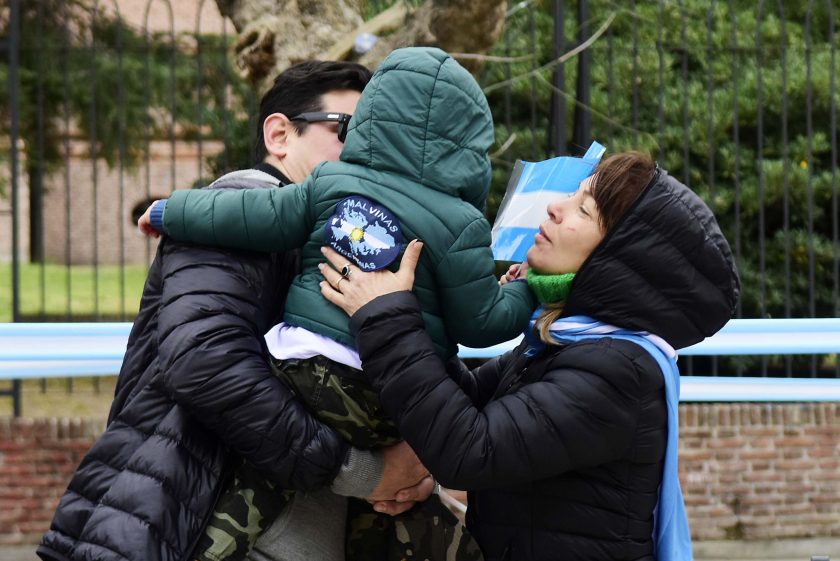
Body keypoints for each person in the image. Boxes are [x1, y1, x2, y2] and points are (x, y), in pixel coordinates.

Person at [138, 47, 534, 560]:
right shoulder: (460, 225)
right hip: (385, 394)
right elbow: (483, 323)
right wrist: (527, 288)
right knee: (407, 518)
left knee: (252, 493)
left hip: (299, 366)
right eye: (339, 125)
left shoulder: (328, 186)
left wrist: (171, 210)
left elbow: (246, 215)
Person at [37, 60, 434, 561]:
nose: (369, 149)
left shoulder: (344, 236)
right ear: (280, 135)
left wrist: (413, 463)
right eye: (349, 129)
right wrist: (362, 471)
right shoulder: (237, 210)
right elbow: (204, 362)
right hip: (204, 528)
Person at [320, 151, 741, 561]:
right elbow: (466, 399)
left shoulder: (618, 372)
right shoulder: (565, 341)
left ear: (621, 260)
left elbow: (469, 450)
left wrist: (388, 320)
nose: (555, 207)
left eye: (583, 210)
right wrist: (419, 309)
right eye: (572, 194)